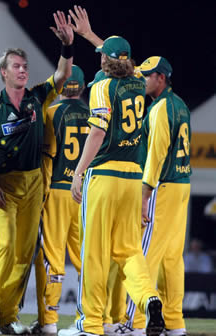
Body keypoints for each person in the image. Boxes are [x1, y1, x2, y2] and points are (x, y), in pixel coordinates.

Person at [0, 10, 74, 334]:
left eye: (25, 66)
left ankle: (7, 315)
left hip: (33, 182)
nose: (23, 71)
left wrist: (67, 47)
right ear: (3, 72)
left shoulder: (36, 98)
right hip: (3, 184)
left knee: (25, 253)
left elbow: (61, 75)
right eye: (17, 66)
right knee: (6, 245)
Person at [58, 36, 165, 336]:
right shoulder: (139, 79)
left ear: (105, 60)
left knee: (94, 252)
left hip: (104, 176)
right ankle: (149, 298)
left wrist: (78, 173)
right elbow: (120, 58)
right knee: (129, 251)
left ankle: (91, 324)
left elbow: (97, 133)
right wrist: (93, 35)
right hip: (132, 177)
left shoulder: (102, 85)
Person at [121, 56, 192, 336]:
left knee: (144, 255)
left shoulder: (160, 108)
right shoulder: (180, 105)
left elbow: (156, 154)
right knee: (173, 259)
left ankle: (136, 323)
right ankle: (174, 323)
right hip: (181, 184)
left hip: (161, 187)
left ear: (160, 78)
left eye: (147, 76)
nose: (143, 80)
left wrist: (145, 192)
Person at [31, 65, 89, 335]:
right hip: (85, 195)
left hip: (56, 190)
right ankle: (92, 316)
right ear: (84, 87)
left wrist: (40, 197)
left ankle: (50, 320)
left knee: (52, 257)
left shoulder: (51, 113)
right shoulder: (94, 114)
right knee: (87, 259)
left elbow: (47, 159)